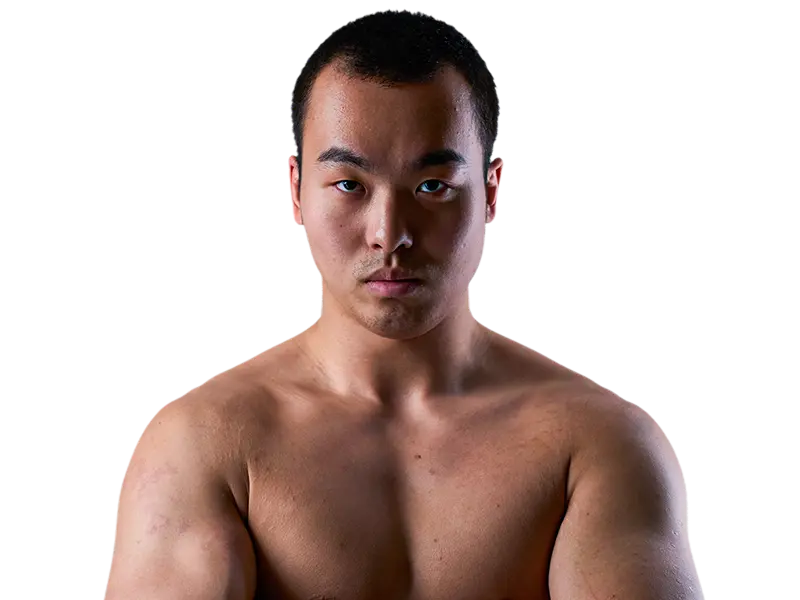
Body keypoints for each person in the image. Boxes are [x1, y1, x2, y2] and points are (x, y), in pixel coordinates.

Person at [105, 9, 701, 599]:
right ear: (296, 192)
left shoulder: (595, 445)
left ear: (491, 192)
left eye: (432, 187)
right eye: (349, 185)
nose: (389, 234)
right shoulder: (204, 445)